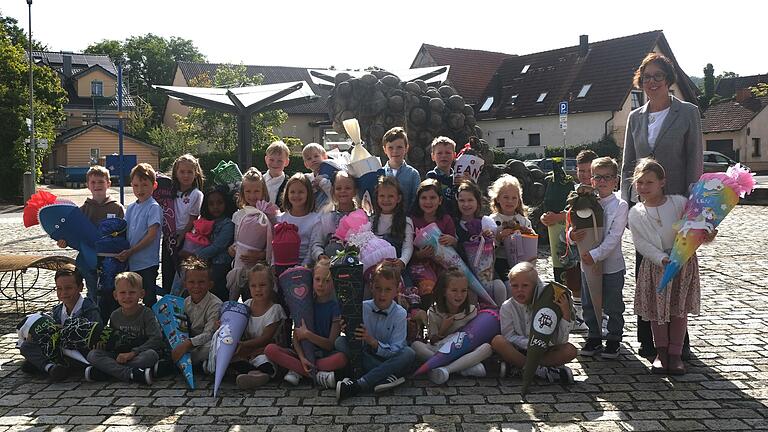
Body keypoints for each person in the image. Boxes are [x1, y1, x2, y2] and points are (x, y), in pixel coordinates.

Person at [620, 53, 703, 359]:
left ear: (669, 81)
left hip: (677, 207)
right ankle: (650, 341)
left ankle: (679, 346)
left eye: (658, 76)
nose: (652, 82)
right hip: (646, 209)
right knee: (648, 272)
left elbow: (695, 159)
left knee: (677, 273)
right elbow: (629, 162)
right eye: (646, 78)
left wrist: (696, 211)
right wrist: (627, 204)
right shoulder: (635, 117)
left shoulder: (688, 113)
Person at [628, 158, 712, 375]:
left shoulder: (678, 203)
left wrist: (707, 232)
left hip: (682, 263)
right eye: (640, 182)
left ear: (662, 182)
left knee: (678, 310)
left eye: (649, 182)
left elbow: (694, 227)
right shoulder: (636, 212)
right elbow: (641, 243)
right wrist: (660, 258)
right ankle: (661, 353)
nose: (644, 187)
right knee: (658, 312)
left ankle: (675, 354)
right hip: (656, 267)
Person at [570, 157, 628, 359]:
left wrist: (595, 255)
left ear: (615, 180)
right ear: (591, 180)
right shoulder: (584, 201)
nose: (602, 181)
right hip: (588, 264)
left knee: (613, 304)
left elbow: (614, 236)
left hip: (611, 265)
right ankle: (593, 336)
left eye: (607, 177)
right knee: (589, 303)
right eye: (597, 177)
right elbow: (573, 227)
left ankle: (614, 338)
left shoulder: (620, 205)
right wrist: (571, 236)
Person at [335, 262, 416, 401]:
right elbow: (355, 341)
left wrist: (373, 342)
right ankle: (384, 377)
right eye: (378, 288)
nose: (382, 294)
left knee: (409, 353)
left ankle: (360, 383)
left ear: (397, 290)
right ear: (371, 287)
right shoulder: (362, 307)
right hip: (367, 356)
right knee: (340, 342)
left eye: (388, 289)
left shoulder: (400, 314)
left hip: (390, 358)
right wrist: (347, 329)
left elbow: (396, 350)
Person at [265, 258, 346, 389]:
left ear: (334, 282)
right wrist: (302, 358)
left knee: (341, 358)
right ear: (312, 280)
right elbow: (296, 337)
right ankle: (315, 374)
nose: (321, 284)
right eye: (317, 279)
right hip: (301, 355)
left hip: (323, 355)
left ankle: (300, 371)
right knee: (270, 349)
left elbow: (330, 344)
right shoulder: (305, 303)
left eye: (327, 281)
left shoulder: (335, 308)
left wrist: (308, 335)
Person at [491, 263, 576, 384]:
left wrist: (565, 314)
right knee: (498, 341)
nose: (519, 290)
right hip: (520, 351)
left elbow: (560, 341)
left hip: (544, 351)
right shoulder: (507, 307)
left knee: (570, 350)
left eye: (525, 286)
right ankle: (540, 370)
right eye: (515, 286)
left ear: (535, 286)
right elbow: (508, 336)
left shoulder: (547, 305)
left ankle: (523, 369)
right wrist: (530, 344)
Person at [19, 268, 102, 380]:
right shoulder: (57, 310)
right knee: (26, 347)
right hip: (58, 349)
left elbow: (93, 332)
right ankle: (51, 367)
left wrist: (62, 330)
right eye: (59, 288)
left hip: (79, 351)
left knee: (92, 356)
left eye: (68, 288)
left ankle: (48, 365)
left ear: (80, 287)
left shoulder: (89, 308)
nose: (63, 293)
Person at [411, 268, 492, 384]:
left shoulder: (471, 311)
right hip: (440, 348)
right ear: (444, 291)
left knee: (487, 348)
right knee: (416, 346)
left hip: (463, 350)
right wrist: (443, 329)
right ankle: (461, 368)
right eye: (454, 290)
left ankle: (447, 369)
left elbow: (473, 337)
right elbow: (432, 340)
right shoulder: (434, 311)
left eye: (463, 291)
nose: (459, 295)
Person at [57, 165, 125, 301]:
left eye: (101, 182)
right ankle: (95, 320)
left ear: (108, 184)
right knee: (93, 293)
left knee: (112, 294)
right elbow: (74, 234)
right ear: (88, 185)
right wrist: (64, 241)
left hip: (111, 260)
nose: (97, 185)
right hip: (88, 260)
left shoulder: (117, 208)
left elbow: (124, 234)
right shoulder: (82, 210)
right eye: (93, 182)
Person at [85, 272, 164, 384]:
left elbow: (156, 339)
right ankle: (131, 374)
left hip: (140, 354)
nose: (127, 296)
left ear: (141, 294)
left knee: (151, 356)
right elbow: (112, 340)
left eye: (132, 292)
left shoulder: (147, 313)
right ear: (115, 295)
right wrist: (103, 345)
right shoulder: (115, 315)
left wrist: (133, 353)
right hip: (120, 355)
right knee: (93, 355)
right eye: (122, 293)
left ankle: (107, 371)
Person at [231, 264, 287, 389]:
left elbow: (266, 338)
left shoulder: (275, 310)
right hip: (248, 350)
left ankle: (260, 375)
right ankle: (250, 372)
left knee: (264, 360)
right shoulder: (246, 305)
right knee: (232, 358)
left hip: (265, 349)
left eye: (262, 285)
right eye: (253, 286)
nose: (258, 289)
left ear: (271, 286)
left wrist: (244, 345)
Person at [454, 180, 506, 306]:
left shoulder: (485, 222)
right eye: (462, 201)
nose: (466, 204)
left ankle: (500, 317)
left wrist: (489, 238)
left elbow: (493, 250)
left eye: (470, 200)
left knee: (500, 288)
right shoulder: (454, 224)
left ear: (477, 201)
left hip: (486, 270)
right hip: (465, 272)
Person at [118, 163, 162, 307]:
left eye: (144, 185)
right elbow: (123, 231)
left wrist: (131, 251)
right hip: (132, 262)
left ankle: (153, 324)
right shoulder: (130, 208)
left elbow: (151, 235)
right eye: (136, 186)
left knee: (149, 297)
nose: (140, 189)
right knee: (131, 297)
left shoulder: (153, 207)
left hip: (147, 262)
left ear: (153, 185)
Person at [181, 186, 235, 301]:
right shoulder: (205, 221)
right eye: (211, 204)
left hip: (220, 264)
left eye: (219, 203)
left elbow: (218, 246)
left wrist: (195, 255)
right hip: (206, 263)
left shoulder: (228, 223)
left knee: (216, 295)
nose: (215, 207)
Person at [410, 179, 457, 309]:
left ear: (440, 200)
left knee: (451, 282)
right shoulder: (413, 220)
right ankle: (428, 317)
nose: (428, 202)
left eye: (432, 198)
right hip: (420, 264)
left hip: (442, 263)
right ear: (418, 200)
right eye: (424, 198)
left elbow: (454, 245)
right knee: (428, 285)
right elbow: (408, 249)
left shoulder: (446, 220)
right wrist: (419, 254)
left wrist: (452, 240)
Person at [227, 168, 272, 301]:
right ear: (242, 193)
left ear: (263, 191)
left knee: (255, 296)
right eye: (248, 191)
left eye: (256, 191)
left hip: (259, 266)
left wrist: (260, 256)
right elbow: (237, 238)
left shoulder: (268, 214)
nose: (252, 195)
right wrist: (232, 248)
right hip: (239, 264)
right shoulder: (239, 215)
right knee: (235, 294)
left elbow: (271, 244)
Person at [163, 154, 205, 293]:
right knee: (167, 272)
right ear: (176, 172)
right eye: (182, 171)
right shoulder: (169, 191)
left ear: (196, 173)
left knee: (181, 275)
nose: (185, 175)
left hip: (184, 238)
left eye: (189, 172)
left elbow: (193, 219)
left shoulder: (196, 194)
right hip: (169, 236)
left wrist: (181, 237)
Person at [171, 257, 222, 369]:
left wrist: (188, 344)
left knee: (214, 347)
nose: (196, 286)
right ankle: (196, 364)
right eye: (191, 282)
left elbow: (209, 334)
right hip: (188, 343)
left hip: (203, 343)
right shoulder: (185, 302)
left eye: (201, 282)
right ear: (185, 284)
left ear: (210, 285)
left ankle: (182, 362)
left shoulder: (215, 304)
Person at [489, 174, 535, 283]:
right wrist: (499, 237)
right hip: (499, 261)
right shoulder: (492, 221)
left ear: (519, 200)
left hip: (521, 262)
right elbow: (488, 248)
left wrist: (529, 234)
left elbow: (532, 246)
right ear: (498, 198)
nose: (510, 201)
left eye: (514, 198)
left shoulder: (524, 221)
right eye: (506, 197)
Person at [311, 170, 358, 262]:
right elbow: (317, 244)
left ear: (355, 191)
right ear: (333, 191)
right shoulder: (327, 218)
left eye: (348, 188)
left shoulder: (363, 217)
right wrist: (320, 255)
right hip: (330, 265)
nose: (343, 191)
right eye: (339, 188)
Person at [371, 176, 414, 273]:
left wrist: (402, 261)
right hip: (376, 266)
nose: (386, 200)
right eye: (382, 196)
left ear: (398, 198)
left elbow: (407, 246)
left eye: (390, 196)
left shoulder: (406, 221)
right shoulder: (371, 221)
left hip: (396, 265)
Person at [277, 173, 321, 267]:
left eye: (301, 192)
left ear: (308, 194)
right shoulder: (280, 219)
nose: (296, 195)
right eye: (292, 192)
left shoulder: (316, 219)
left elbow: (312, 248)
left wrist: (301, 268)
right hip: (282, 265)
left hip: (306, 268)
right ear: (287, 194)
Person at [381, 127, 421, 214]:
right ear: (384, 149)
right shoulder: (380, 173)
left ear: (406, 148)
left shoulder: (413, 174)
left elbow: (415, 200)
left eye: (399, 147)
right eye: (390, 148)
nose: (395, 151)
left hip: (406, 220)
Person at [426, 136, 458, 215]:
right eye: (439, 153)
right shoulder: (432, 177)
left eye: (448, 153)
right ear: (433, 156)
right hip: (438, 217)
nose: (444, 156)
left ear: (454, 155)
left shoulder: (458, 178)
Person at [302, 143, 333, 213]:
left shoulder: (331, 176)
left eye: (316, 156)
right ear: (306, 164)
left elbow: (334, 195)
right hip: (311, 215)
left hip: (328, 214)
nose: (313, 160)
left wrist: (322, 182)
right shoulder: (306, 179)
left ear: (325, 157)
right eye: (309, 158)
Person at [264, 140, 291, 207]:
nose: (275, 163)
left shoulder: (289, 184)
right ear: (266, 159)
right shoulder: (259, 180)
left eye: (280, 161)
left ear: (286, 162)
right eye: (271, 160)